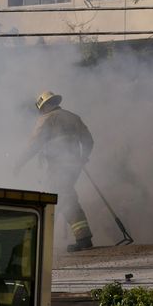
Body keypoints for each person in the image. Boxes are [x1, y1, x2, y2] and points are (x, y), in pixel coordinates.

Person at [15, 91, 94, 252]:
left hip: (57, 166)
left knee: (58, 198)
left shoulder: (46, 119)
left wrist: (18, 163)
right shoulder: (73, 116)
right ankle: (46, 238)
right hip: (74, 166)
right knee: (61, 197)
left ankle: (78, 238)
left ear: (43, 106)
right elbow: (88, 140)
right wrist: (82, 158)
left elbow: (34, 145)